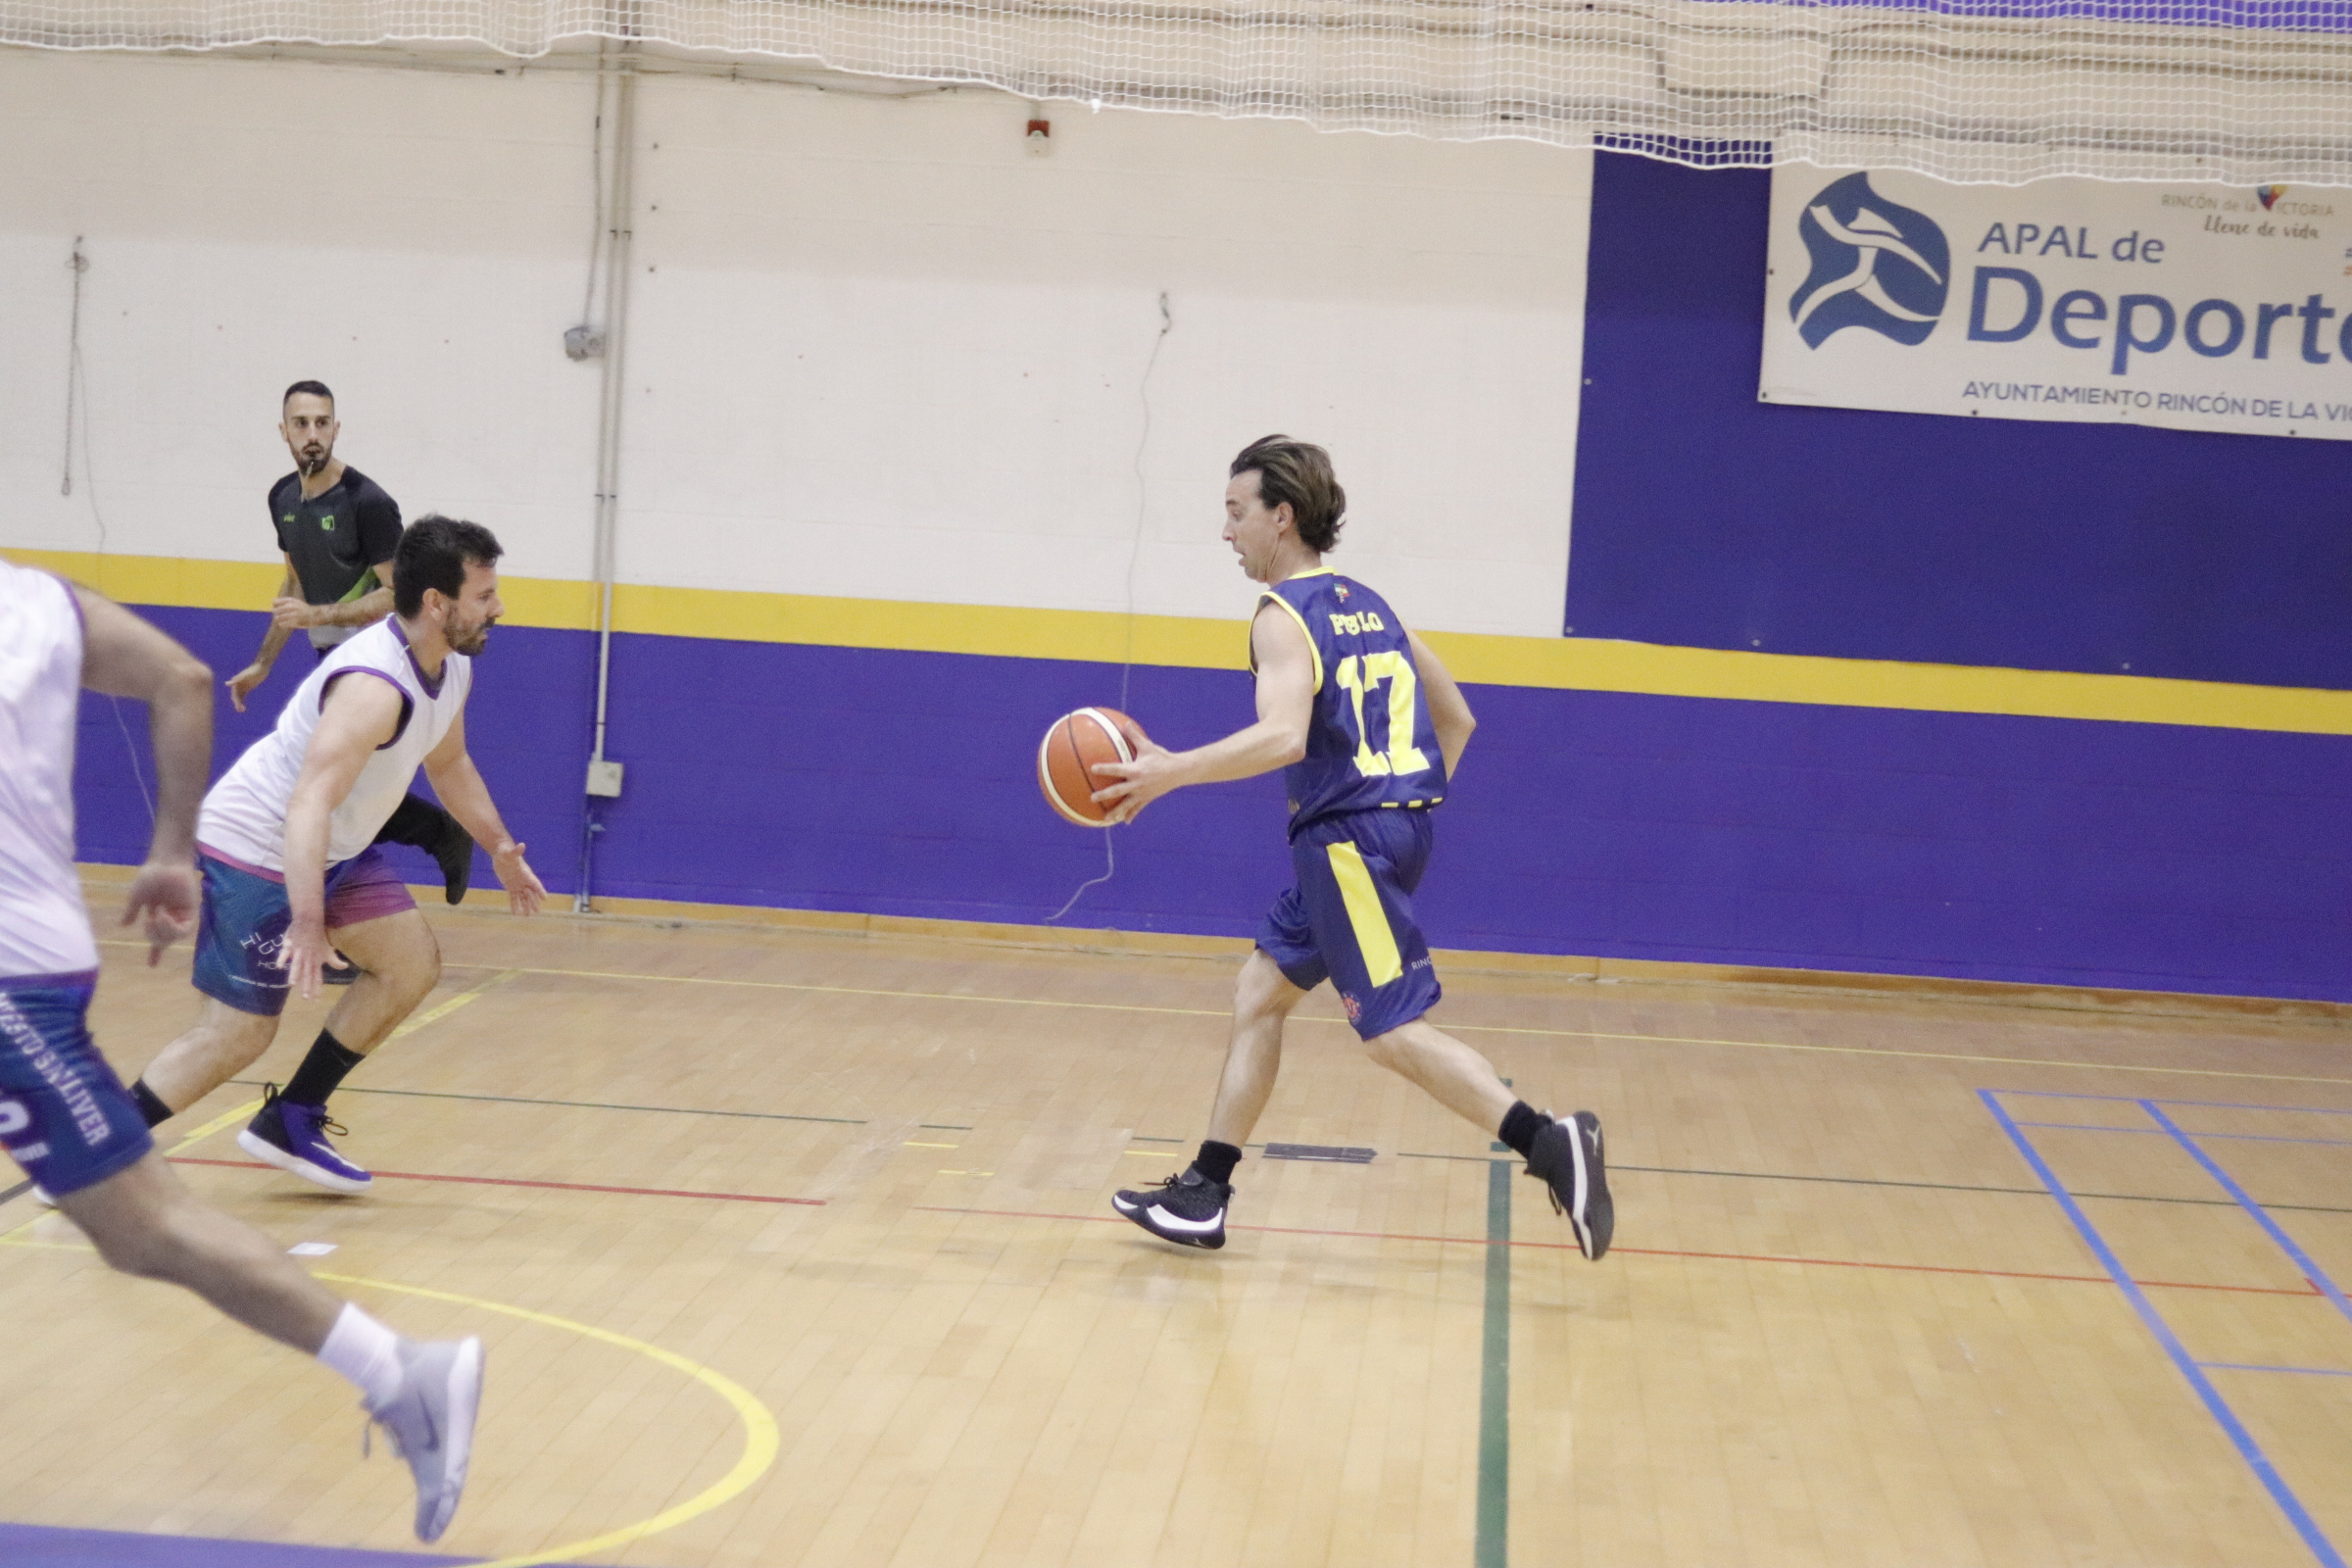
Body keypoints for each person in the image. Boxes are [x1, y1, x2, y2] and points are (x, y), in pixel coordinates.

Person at [0, 557, 482, 1543]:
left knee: (152, 1210)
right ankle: (396, 1360)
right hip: (110, 913)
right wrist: (172, 849)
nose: (497, 608)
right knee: (153, 1208)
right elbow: (183, 679)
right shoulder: (34, 595)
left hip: (18, 968)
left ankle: (395, 1358)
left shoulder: (429, 675)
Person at [1098, 436, 1613, 1258]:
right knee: (1259, 993)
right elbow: (1457, 719)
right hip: (1385, 832)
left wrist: (1169, 773)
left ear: (1282, 516)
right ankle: (1205, 1190)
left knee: (1390, 1033)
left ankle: (1551, 1143)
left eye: (1236, 513)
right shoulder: (1373, 607)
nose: (1226, 532)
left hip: (1344, 844)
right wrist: (1399, 805)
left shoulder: (1281, 617)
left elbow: (1283, 736)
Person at [127, 515, 547, 1195]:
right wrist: (307, 919)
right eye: (484, 594)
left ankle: (290, 1119)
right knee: (238, 1034)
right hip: (260, 844)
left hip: (332, 846)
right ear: (437, 603)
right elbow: (307, 805)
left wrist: (498, 846)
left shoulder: (452, 666)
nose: (498, 607)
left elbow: (449, 761)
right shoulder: (373, 688)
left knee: (409, 966)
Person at [223, 380, 474, 915]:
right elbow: (294, 581)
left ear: (336, 428)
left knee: (327, 790)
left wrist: (319, 615)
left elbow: (397, 594)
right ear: (284, 431)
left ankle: (428, 843)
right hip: (331, 658)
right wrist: (264, 662)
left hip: (379, 664)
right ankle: (435, 836)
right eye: (301, 423)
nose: (311, 433)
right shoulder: (282, 498)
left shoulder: (368, 503)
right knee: (337, 790)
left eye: (321, 423)